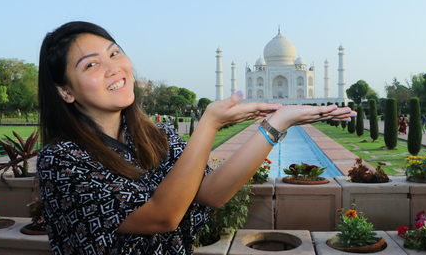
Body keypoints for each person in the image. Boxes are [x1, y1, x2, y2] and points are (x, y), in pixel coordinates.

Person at [37, 21, 356, 254]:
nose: (113, 68)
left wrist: (277, 123)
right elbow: (161, 217)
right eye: (92, 64)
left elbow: (211, 193)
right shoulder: (61, 160)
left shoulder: (154, 136)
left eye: (115, 53)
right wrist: (209, 124)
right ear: (64, 90)